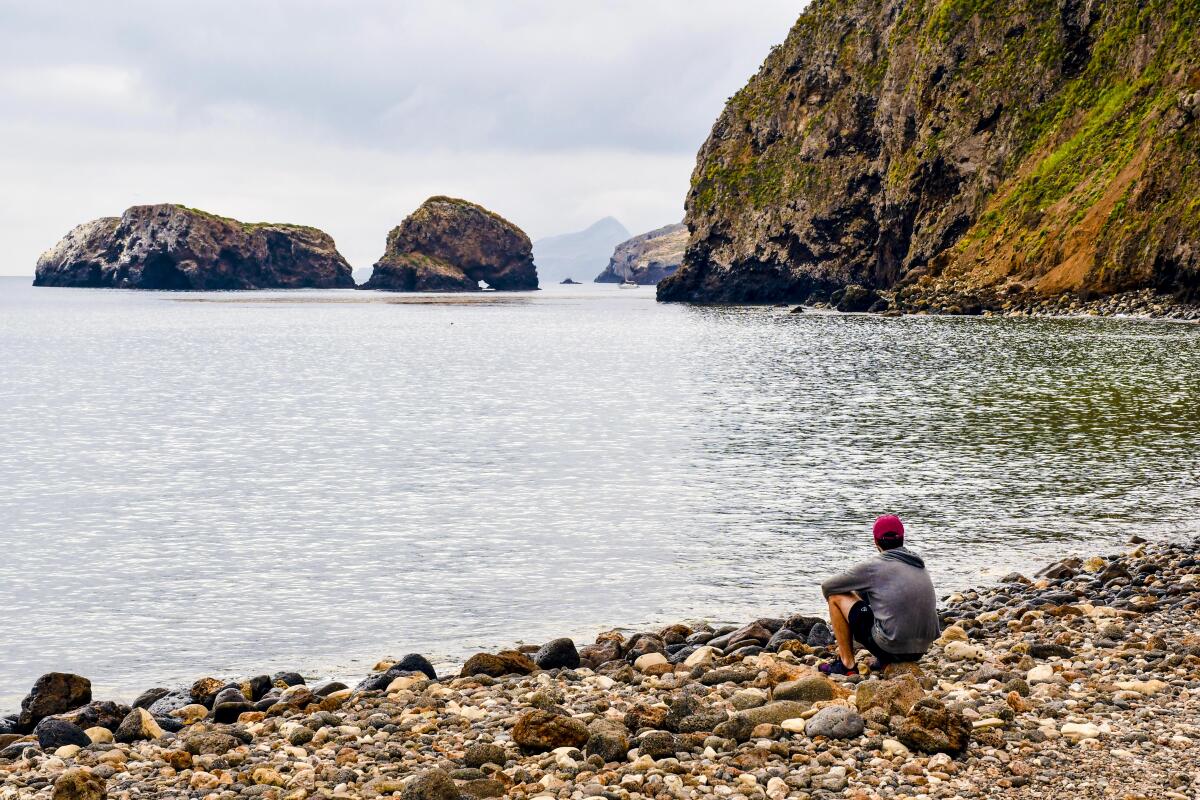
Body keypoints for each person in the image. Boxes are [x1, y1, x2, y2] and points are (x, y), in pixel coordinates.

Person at [818, 514, 939, 675]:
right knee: (879, 596)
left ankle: (847, 664)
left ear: (876, 542)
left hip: (891, 648)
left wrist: (855, 599)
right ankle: (884, 659)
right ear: (902, 538)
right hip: (921, 649)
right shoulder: (917, 563)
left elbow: (828, 587)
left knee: (836, 597)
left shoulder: (874, 566)